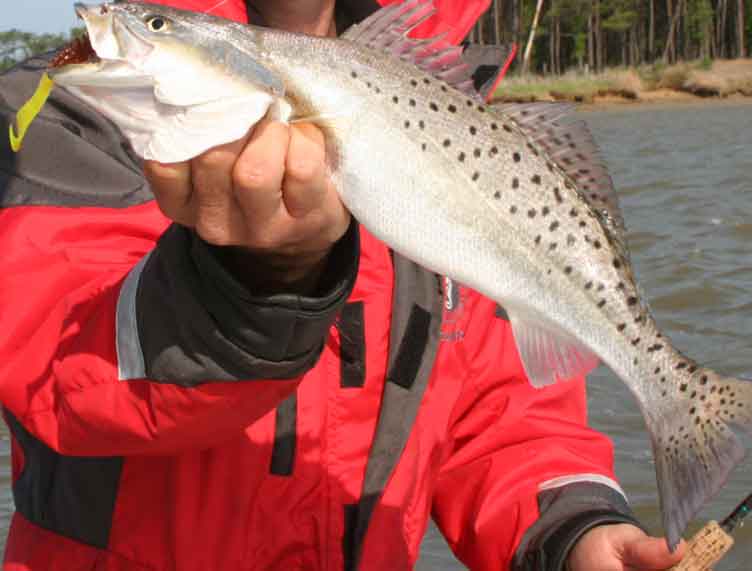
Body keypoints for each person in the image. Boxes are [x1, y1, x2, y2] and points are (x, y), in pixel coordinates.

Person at [0, 0, 687, 570]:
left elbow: (507, 420)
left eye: (155, 26)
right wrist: (253, 282)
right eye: (155, 28)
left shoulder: (446, 110)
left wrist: (573, 532)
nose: (129, 27)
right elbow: (56, 369)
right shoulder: (67, 100)